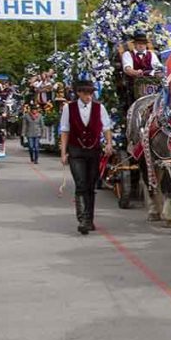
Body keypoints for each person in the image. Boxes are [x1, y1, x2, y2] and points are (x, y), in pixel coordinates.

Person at [59, 80, 113, 235]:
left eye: (91, 93)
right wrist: (63, 152)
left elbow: (106, 127)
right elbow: (65, 131)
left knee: (90, 185)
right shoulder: (69, 108)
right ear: (79, 93)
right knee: (81, 184)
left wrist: (108, 143)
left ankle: (89, 218)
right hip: (76, 151)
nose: (89, 96)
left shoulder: (99, 108)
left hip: (93, 151)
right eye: (86, 93)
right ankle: (83, 219)